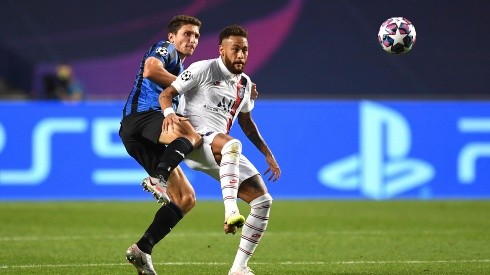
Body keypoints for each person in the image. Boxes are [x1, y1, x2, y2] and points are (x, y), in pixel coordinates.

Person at [159, 24, 281, 275]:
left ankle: (239, 268)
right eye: (235, 49)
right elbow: (167, 93)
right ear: (221, 50)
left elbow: (246, 123)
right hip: (193, 140)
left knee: (263, 201)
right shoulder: (203, 68)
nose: (240, 55)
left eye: (245, 50)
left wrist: (267, 153)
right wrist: (170, 116)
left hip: (221, 150)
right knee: (232, 144)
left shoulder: (245, 84)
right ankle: (231, 212)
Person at [119, 15, 204, 275]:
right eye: (187, 34)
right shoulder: (164, 50)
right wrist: (186, 86)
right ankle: (158, 178)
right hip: (142, 118)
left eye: (196, 36)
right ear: (172, 37)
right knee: (191, 136)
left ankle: (143, 249)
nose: (192, 39)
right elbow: (150, 70)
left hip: (142, 136)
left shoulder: (181, 71)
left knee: (186, 198)